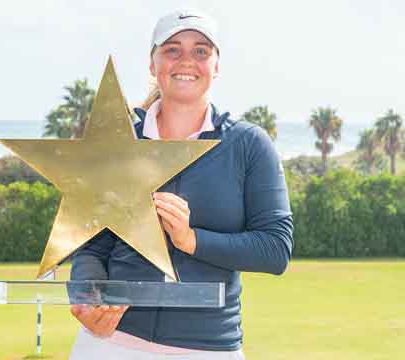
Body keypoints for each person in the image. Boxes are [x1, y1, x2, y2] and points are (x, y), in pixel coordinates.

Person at [69, 9, 293, 360]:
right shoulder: (118, 141)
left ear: (217, 66)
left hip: (208, 350)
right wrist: (87, 297)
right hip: (109, 345)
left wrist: (192, 240)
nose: (186, 60)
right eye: (172, 49)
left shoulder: (248, 144)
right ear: (152, 63)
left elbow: (275, 248)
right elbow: (91, 248)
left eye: (201, 50)